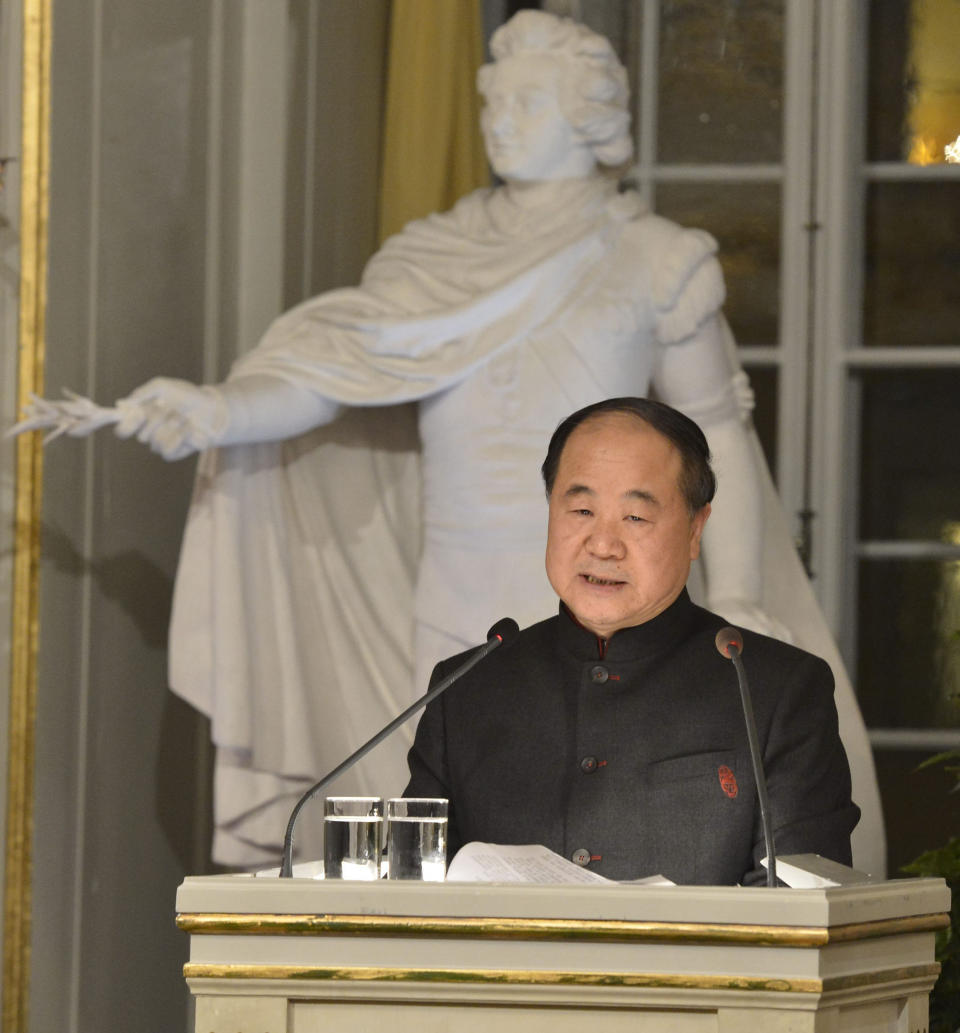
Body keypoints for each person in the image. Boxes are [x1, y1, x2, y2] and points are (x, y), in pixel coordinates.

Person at [12, 11, 882, 872]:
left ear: (589, 119)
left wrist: (739, 592)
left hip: (643, 600)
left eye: (528, 103)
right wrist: (219, 409)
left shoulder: (659, 259)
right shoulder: (432, 256)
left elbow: (719, 432)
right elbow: (334, 371)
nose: (501, 121)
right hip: (464, 599)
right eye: (492, 102)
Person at [404, 398, 860, 885]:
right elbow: (410, 898)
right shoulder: (467, 688)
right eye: (581, 509)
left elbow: (800, 914)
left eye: (636, 518)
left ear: (695, 529)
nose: (602, 545)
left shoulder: (774, 690)